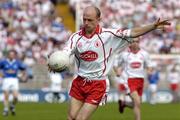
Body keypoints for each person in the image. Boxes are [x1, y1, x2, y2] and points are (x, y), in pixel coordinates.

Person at [48, 5, 170, 120]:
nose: (86, 23)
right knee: (71, 117)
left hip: (97, 84)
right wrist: (56, 63)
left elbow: (133, 32)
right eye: (84, 19)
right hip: (80, 82)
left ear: (98, 19)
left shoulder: (109, 35)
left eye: (90, 20)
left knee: (80, 118)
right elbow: (65, 54)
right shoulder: (75, 37)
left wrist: (152, 26)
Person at [0, 50, 27, 116]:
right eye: (10, 54)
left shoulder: (17, 62)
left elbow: (23, 69)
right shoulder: (4, 62)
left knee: (16, 97)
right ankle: (6, 109)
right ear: (8, 55)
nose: (11, 55)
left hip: (14, 80)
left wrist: (23, 76)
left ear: (14, 55)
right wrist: (1, 74)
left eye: (13, 54)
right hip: (6, 80)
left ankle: (12, 105)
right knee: (6, 96)